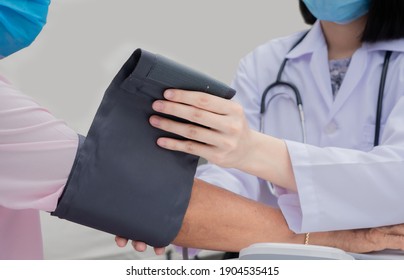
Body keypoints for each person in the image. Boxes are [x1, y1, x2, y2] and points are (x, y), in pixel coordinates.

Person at [2, 0, 404, 260]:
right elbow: (223, 184)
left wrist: (248, 154)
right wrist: (170, 217)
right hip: (282, 261)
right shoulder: (267, 63)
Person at [147, 0, 404, 236]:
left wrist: (252, 151)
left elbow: (395, 178)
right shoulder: (264, 63)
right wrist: (170, 211)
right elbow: (231, 176)